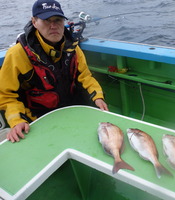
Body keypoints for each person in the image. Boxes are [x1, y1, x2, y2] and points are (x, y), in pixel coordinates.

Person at [0, 0, 108, 143]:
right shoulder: (17, 54)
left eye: (58, 20)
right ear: (34, 22)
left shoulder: (73, 48)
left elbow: (85, 76)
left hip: (71, 110)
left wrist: (97, 97)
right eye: (46, 20)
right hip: (37, 120)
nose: (53, 26)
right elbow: (6, 95)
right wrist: (17, 120)